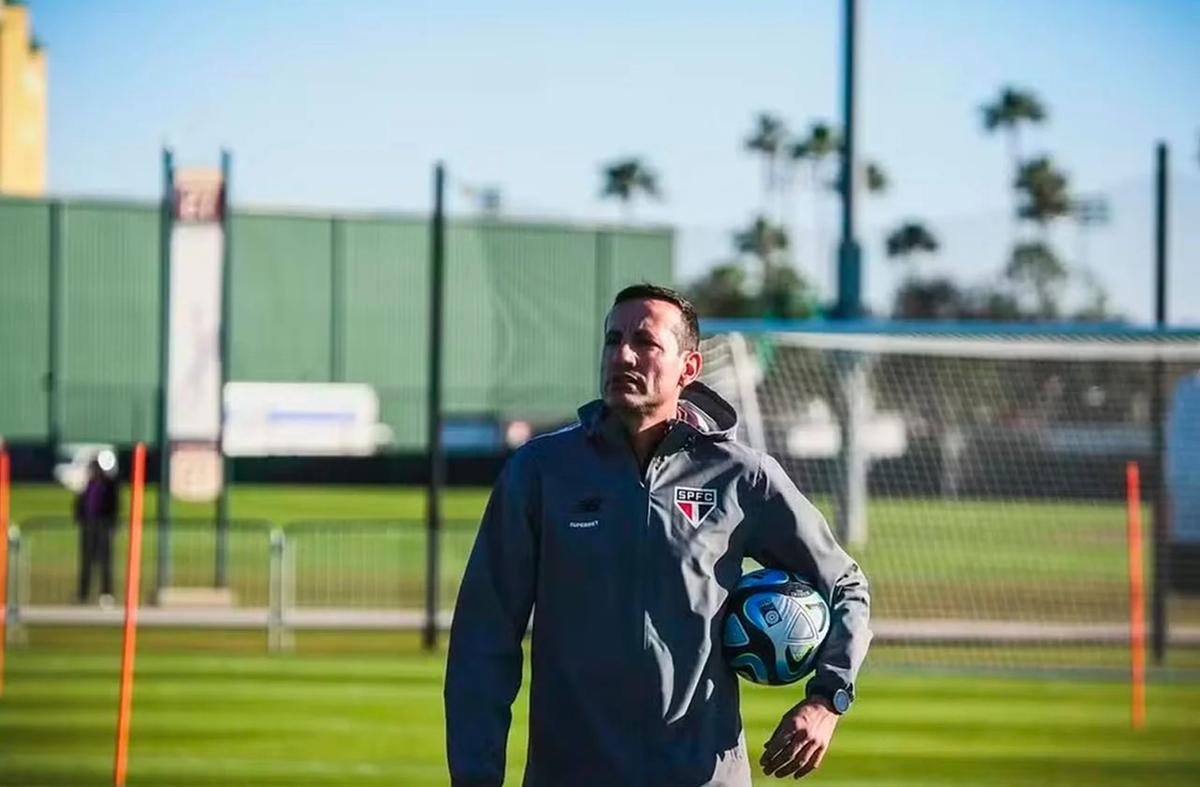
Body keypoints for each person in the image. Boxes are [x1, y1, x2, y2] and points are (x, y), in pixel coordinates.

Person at [445, 284, 871, 786]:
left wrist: (827, 698)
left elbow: (845, 585)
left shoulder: (742, 476)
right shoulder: (540, 471)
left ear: (687, 368)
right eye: (612, 339)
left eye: (644, 342)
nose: (622, 354)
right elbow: (483, 638)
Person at [74, 453, 119, 607]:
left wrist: (111, 523)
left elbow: (113, 506)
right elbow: (81, 503)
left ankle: (106, 593)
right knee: (86, 562)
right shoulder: (89, 484)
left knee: (105, 563)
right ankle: (83, 594)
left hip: (103, 528)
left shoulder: (110, 484)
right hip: (89, 527)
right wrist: (80, 517)